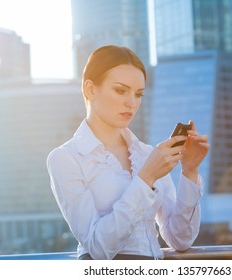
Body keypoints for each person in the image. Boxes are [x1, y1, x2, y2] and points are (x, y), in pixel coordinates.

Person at [46, 45, 210, 260]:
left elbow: (180, 239)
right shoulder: (66, 159)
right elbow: (98, 248)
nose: (131, 103)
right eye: (121, 90)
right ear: (90, 89)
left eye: (138, 94)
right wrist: (145, 178)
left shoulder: (147, 154)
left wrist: (189, 171)